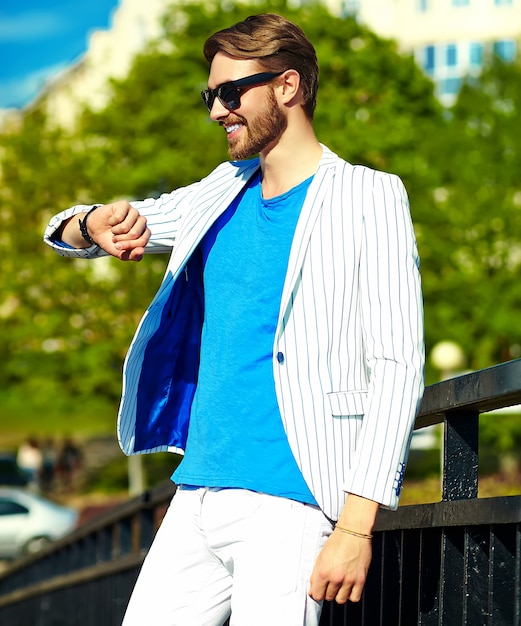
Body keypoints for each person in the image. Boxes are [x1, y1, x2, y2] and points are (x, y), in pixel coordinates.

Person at [44, 13, 424, 626]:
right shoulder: (220, 191)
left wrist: (356, 526)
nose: (217, 111)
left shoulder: (367, 197)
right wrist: (90, 224)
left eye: (229, 92)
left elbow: (396, 366)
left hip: (289, 503)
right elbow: (72, 227)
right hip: (196, 494)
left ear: (287, 87)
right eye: (210, 95)